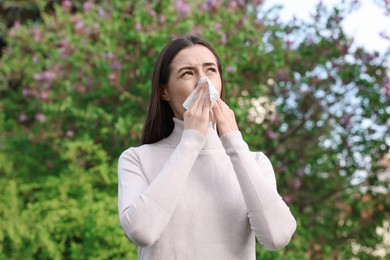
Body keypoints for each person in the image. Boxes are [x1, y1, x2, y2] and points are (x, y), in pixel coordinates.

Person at [118, 36, 297, 259]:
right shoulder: (137, 159)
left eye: (210, 70)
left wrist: (234, 141)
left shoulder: (255, 162)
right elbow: (142, 231)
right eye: (187, 73)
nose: (203, 83)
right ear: (164, 91)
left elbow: (277, 237)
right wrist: (191, 141)